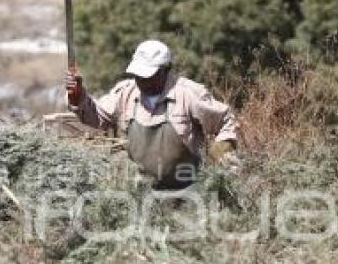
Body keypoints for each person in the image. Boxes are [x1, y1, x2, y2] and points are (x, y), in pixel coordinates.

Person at [66, 40, 239, 189]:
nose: (143, 81)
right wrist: (77, 96)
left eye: (149, 76)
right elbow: (96, 116)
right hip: (142, 193)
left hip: (189, 192)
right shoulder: (126, 93)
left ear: (165, 70)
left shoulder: (187, 94)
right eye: (139, 76)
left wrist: (222, 150)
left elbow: (226, 119)